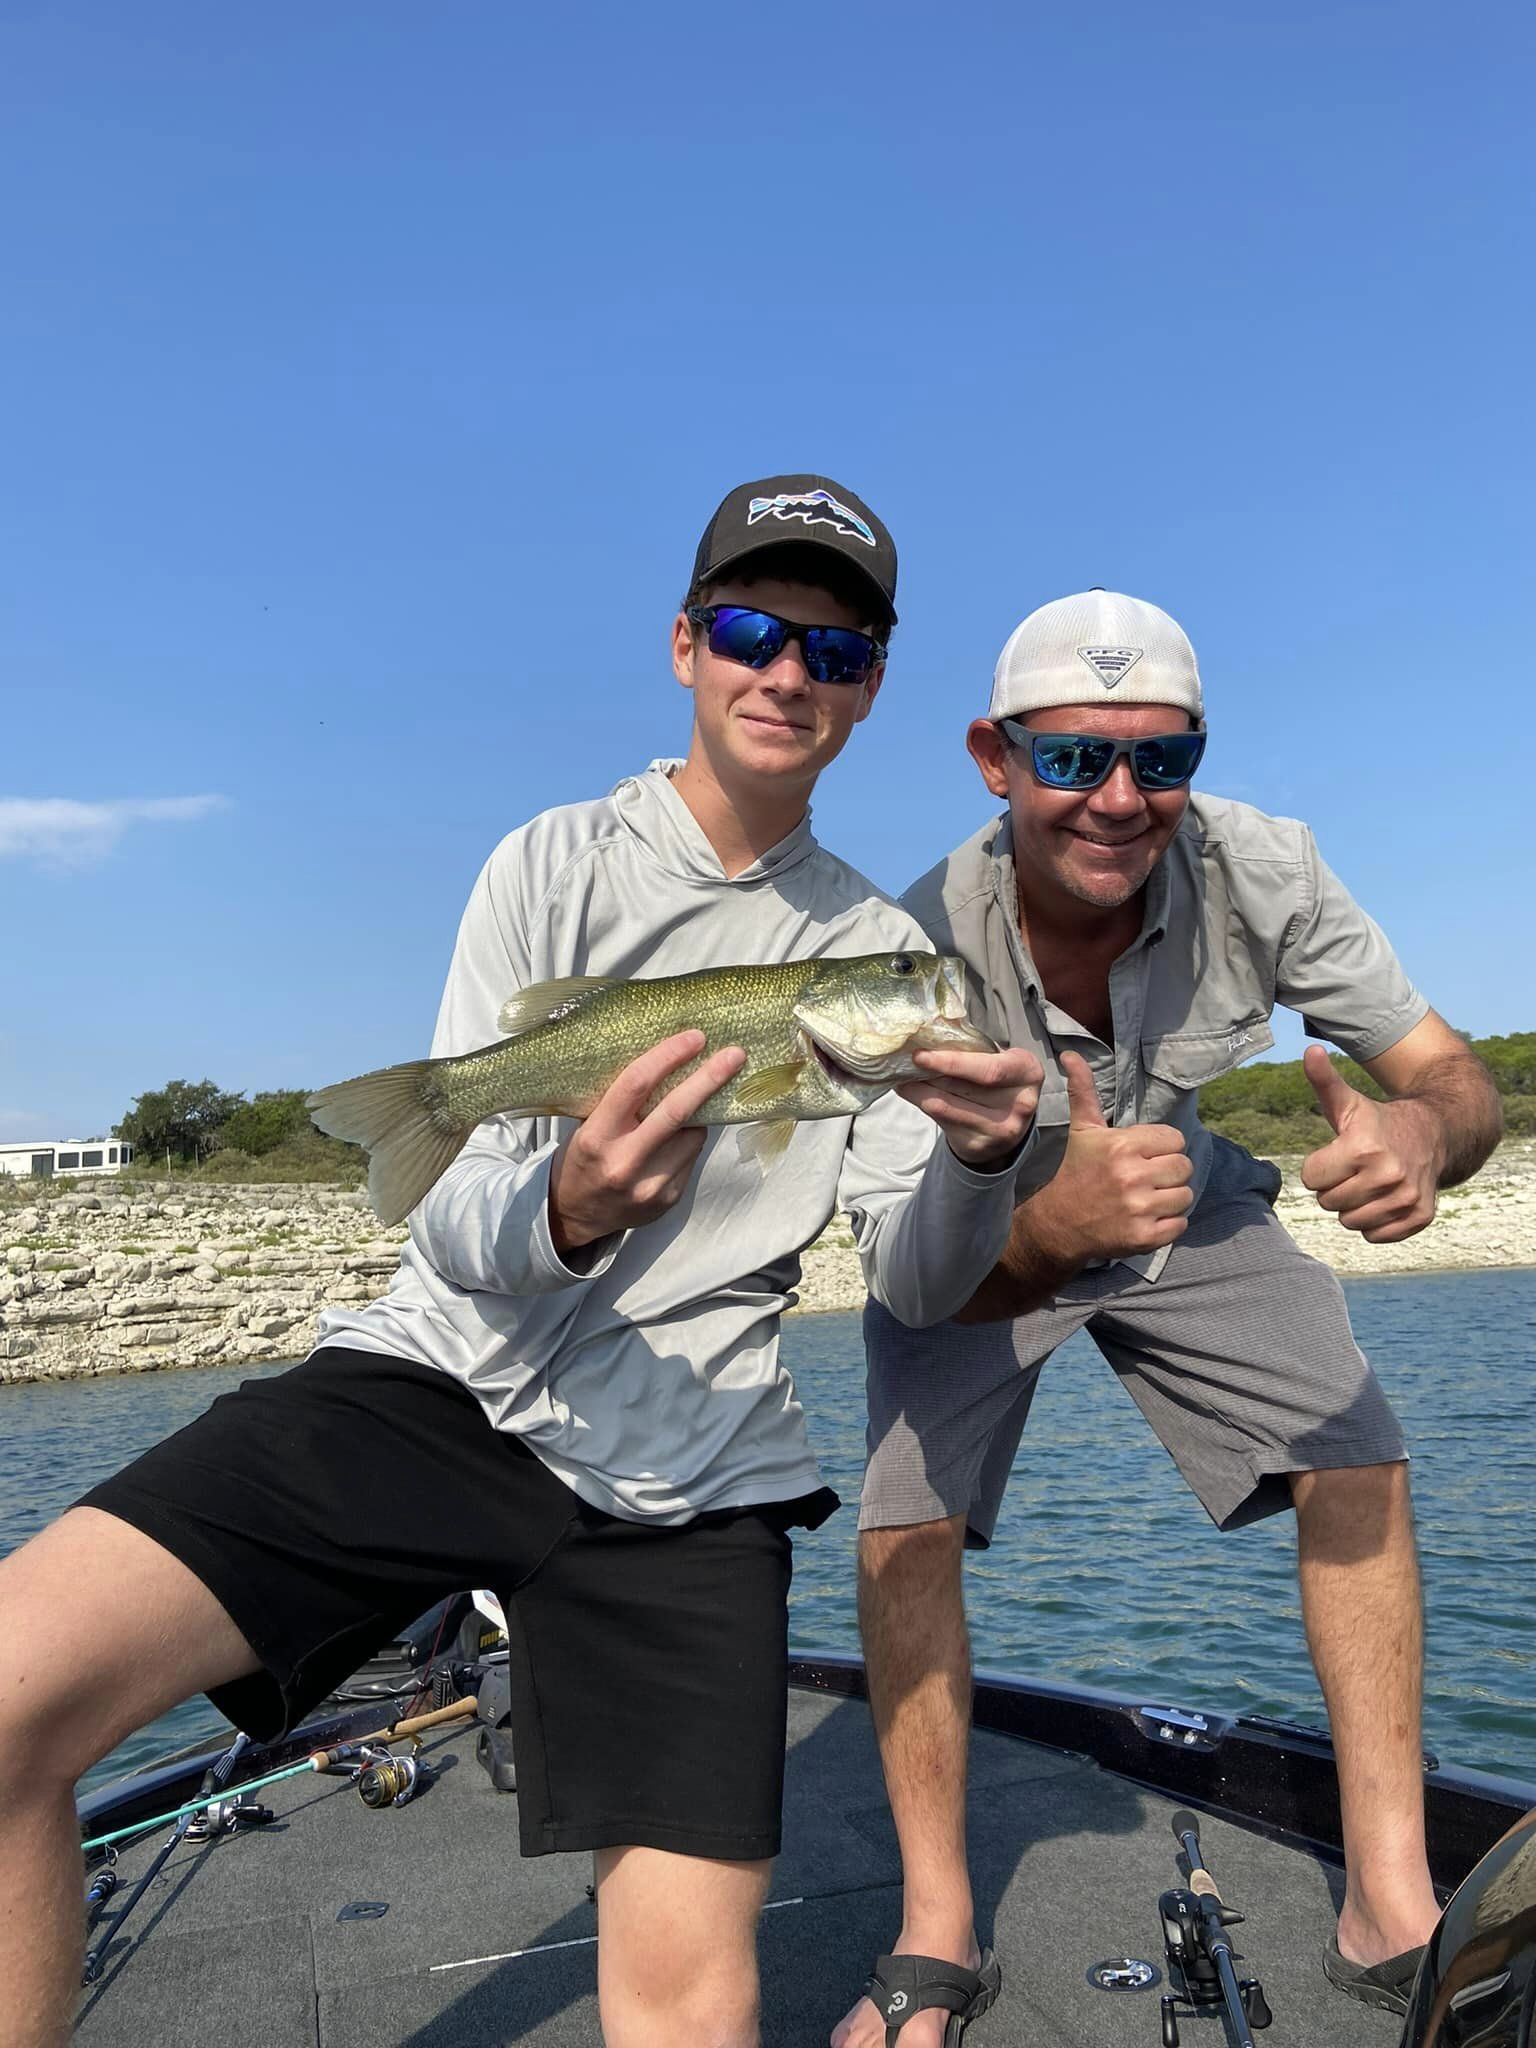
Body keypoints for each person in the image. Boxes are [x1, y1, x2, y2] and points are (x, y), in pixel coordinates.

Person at [0, 476, 1044, 2048]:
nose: (789, 675)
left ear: (874, 688)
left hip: (696, 1464)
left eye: (835, 651)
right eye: (756, 632)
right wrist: (571, 1204)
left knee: (690, 1997)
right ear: (688, 647)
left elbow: (908, 1275)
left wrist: (979, 1162)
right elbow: (452, 1221)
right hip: (437, 1381)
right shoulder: (547, 863)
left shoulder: (883, 956)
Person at [833, 588, 1504, 2048]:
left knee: (1360, 1446)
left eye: (1162, 757)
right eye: (1073, 760)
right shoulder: (898, 946)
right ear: (994, 758)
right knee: (904, 1518)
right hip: (982, 1219)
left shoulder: (1268, 868)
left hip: (1180, 1196)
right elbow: (902, 1275)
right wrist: (1044, 1222)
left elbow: (1453, 1074)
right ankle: (937, 1923)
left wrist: (1425, 1140)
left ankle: (1391, 1901)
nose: (1120, 799)